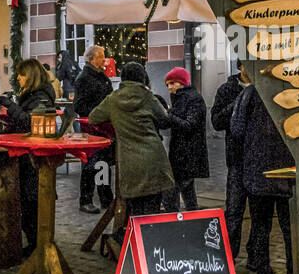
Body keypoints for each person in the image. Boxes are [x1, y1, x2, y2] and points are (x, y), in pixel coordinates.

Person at [88, 61, 174, 229]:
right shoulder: (148, 96)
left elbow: (93, 118)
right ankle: (151, 250)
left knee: (135, 211)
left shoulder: (112, 99)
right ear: (142, 77)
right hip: (153, 159)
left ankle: (134, 248)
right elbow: (164, 121)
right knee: (152, 210)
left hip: (130, 161)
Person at [230, 81, 295, 274]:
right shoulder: (290, 87)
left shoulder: (249, 93)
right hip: (287, 171)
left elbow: (237, 129)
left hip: (258, 171)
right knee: (289, 229)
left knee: (260, 228)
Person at [2, 58, 57, 256]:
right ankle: (36, 243)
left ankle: (37, 245)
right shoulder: (35, 94)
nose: (18, 78)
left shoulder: (40, 96)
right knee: (29, 201)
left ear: (30, 76)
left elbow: (29, 122)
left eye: (21, 74)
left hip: (34, 157)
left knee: (30, 202)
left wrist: (9, 106)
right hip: (30, 155)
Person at [211, 62, 250, 263]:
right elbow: (216, 122)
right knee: (234, 210)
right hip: (236, 158)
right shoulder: (227, 89)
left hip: (261, 160)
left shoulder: (263, 89)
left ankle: (256, 258)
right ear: (240, 67)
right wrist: (237, 103)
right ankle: (228, 256)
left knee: (262, 215)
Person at [74, 44, 113, 213]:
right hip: (91, 128)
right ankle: (85, 200)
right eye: (101, 56)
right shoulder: (84, 78)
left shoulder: (99, 75)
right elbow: (79, 105)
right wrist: (98, 111)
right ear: (92, 58)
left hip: (102, 127)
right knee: (91, 164)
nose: (105, 59)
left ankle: (106, 198)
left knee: (103, 163)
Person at [163, 67, 209, 211]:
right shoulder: (180, 98)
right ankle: (192, 217)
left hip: (189, 153)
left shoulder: (193, 98)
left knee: (173, 191)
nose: (169, 88)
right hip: (181, 153)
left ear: (182, 83)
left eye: (172, 83)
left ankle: (175, 220)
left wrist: (169, 114)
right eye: (167, 84)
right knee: (187, 191)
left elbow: (189, 125)